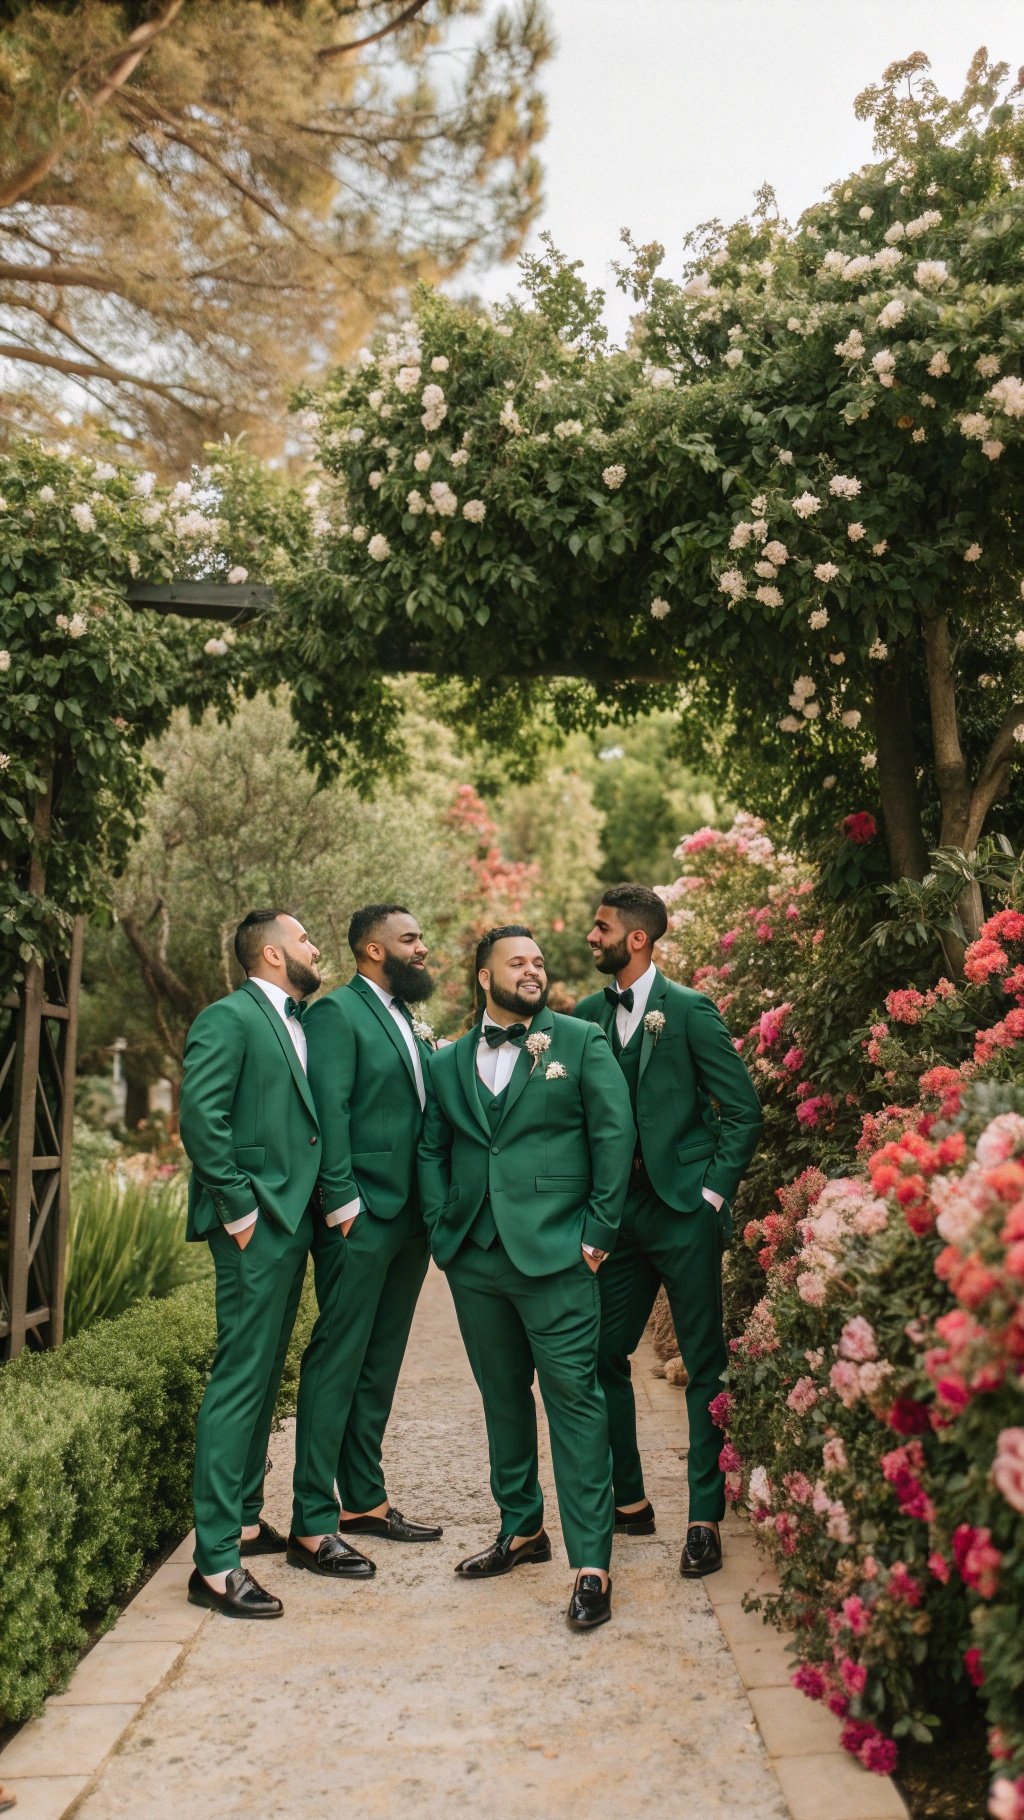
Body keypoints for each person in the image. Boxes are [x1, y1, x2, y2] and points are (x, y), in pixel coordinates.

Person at [418, 925, 634, 1630]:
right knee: (501, 1395)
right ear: (485, 976)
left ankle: (591, 1564)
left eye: (538, 961)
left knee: (575, 1400)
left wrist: (598, 1235)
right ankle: (521, 1530)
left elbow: (613, 1134)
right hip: (475, 1256)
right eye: (517, 962)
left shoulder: (576, 1041)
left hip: (558, 1256)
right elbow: (433, 1146)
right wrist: (440, 1226)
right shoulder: (448, 1060)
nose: (532, 970)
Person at [179, 909, 373, 1618]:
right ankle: (214, 1566)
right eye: (304, 940)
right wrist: (239, 1210)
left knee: (264, 1378)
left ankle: (245, 1520)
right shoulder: (228, 1018)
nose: (316, 948)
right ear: (269, 954)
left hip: (290, 1223)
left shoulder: (297, 1019)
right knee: (240, 1377)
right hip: (254, 1225)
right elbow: (201, 1117)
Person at [575, 884, 762, 1578]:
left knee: (704, 1364)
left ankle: (703, 1518)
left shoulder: (687, 1012)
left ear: (637, 940)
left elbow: (742, 1110)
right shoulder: (588, 1017)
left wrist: (710, 1195)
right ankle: (629, 1500)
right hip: (618, 1218)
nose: (590, 937)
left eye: (601, 928)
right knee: (599, 1354)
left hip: (683, 1212)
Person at [297, 904, 442, 1557]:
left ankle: (364, 1501)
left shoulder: (405, 1018)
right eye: (410, 939)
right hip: (361, 1217)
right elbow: (329, 1112)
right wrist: (342, 1203)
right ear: (373, 949)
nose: (422, 949)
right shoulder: (336, 1014)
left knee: (379, 1365)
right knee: (338, 1361)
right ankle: (312, 1519)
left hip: (410, 1219)